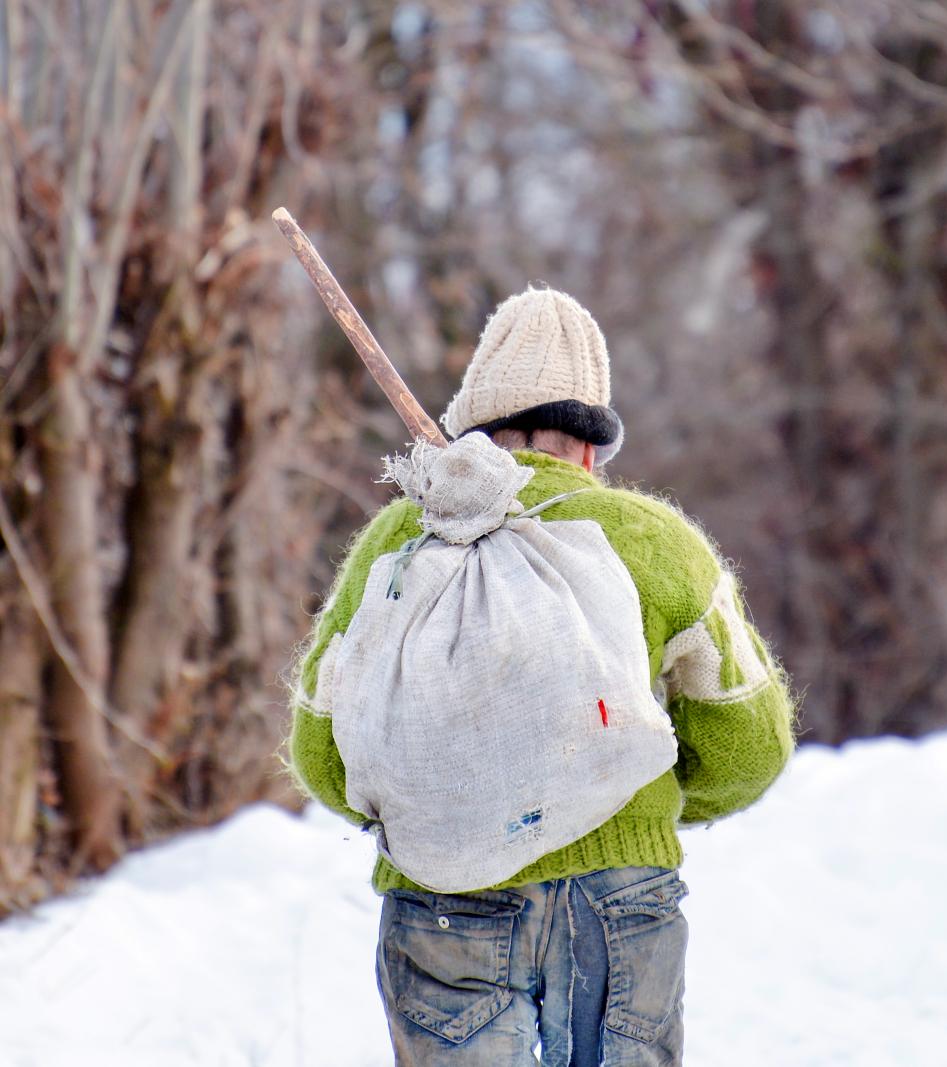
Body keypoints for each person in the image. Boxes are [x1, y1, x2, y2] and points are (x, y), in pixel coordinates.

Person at [288, 286, 797, 1066]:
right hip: (620, 898)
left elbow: (321, 748)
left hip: (441, 905)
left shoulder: (395, 542)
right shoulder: (652, 541)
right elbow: (750, 743)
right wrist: (630, 795)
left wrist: (435, 807)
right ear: (590, 448)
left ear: (472, 434)